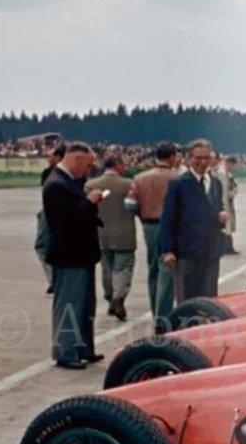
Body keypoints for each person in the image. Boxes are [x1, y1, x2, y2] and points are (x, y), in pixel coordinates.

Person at [43, 141, 104, 369]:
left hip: (82, 255)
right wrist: (89, 202)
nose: (88, 170)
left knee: (85, 306)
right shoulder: (56, 185)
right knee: (70, 305)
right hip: (69, 255)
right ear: (76, 160)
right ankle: (66, 351)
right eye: (87, 165)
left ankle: (83, 348)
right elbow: (66, 221)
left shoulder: (70, 181)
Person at [159, 138, 228, 301]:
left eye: (206, 157)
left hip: (211, 250)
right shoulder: (178, 184)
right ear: (189, 158)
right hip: (187, 252)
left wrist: (221, 216)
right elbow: (168, 218)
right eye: (198, 158)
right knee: (187, 299)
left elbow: (216, 207)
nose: (202, 162)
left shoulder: (216, 183)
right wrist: (168, 250)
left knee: (209, 298)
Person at [128, 142, 180, 330]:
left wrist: (142, 214)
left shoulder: (140, 178)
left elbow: (129, 204)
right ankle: (163, 317)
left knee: (153, 270)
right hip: (172, 226)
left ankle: (155, 310)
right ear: (172, 156)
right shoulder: (178, 178)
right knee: (167, 271)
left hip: (149, 225)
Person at [86, 149, 136, 321]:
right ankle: (118, 296)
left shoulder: (91, 184)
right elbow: (135, 206)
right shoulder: (129, 184)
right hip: (125, 234)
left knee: (106, 269)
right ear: (118, 165)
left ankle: (110, 298)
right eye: (123, 164)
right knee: (123, 268)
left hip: (101, 234)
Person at [34, 141, 65, 289]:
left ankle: (54, 278)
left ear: (59, 157)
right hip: (52, 211)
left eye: (50, 156)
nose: (48, 158)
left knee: (41, 246)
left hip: (50, 212)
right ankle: (56, 278)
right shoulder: (49, 173)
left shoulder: (49, 174)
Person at [212, 153, 239, 255]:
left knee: (227, 226)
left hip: (227, 201)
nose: (233, 168)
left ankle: (227, 247)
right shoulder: (222, 173)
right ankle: (226, 247)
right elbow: (224, 190)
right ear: (229, 163)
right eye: (233, 165)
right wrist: (224, 204)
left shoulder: (225, 172)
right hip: (225, 202)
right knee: (226, 226)